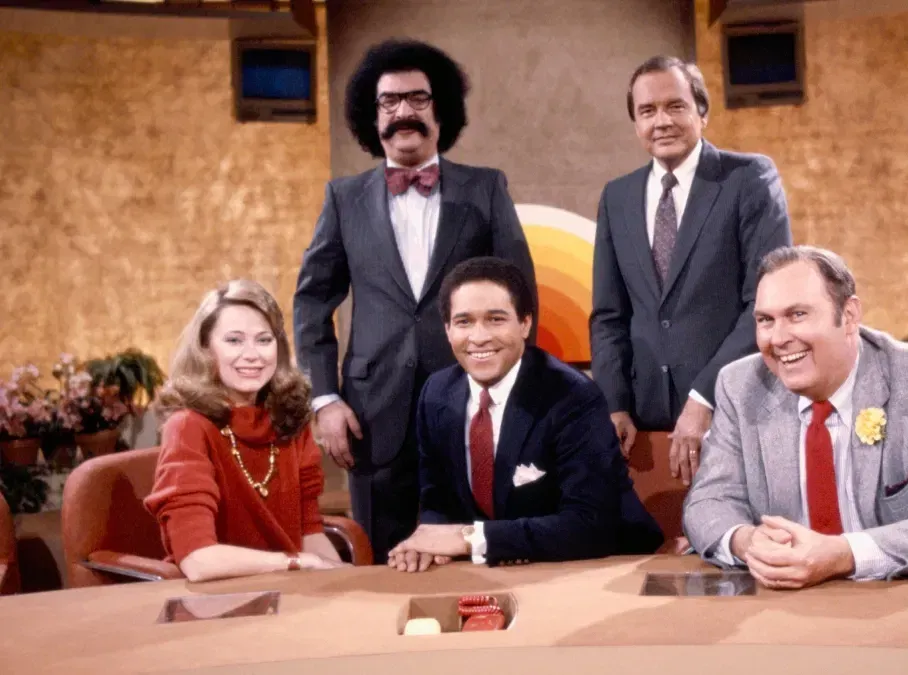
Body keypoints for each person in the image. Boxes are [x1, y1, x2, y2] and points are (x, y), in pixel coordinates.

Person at [293, 39, 538, 563]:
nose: (403, 111)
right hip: (371, 414)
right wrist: (325, 398)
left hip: (473, 404)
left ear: (439, 110)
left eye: (417, 98)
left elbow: (520, 294)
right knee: (382, 561)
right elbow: (312, 302)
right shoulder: (343, 198)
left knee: (472, 554)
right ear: (372, 115)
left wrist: (515, 394)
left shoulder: (486, 188)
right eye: (389, 101)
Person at [682, 246, 908, 589]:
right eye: (765, 320)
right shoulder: (740, 386)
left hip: (904, 596)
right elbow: (707, 503)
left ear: (849, 316)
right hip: (783, 602)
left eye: (797, 315)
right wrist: (748, 541)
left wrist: (842, 554)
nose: (778, 338)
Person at [590, 55, 791, 486]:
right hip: (644, 427)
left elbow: (764, 305)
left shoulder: (749, 178)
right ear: (636, 123)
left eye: (675, 106)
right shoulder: (616, 197)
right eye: (647, 111)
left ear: (702, 112)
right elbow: (609, 315)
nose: (661, 121)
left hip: (734, 413)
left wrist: (705, 396)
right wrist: (614, 403)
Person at [388, 257, 663, 571]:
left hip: (605, 568)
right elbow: (438, 499)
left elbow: (590, 524)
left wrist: (470, 538)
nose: (479, 337)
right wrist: (427, 543)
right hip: (496, 574)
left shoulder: (573, 397)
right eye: (464, 322)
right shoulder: (436, 393)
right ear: (448, 330)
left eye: (495, 319)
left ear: (525, 324)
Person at [145, 280, 346, 582]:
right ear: (205, 349)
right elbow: (198, 560)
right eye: (234, 341)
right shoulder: (187, 427)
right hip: (216, 596)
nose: (252, 355)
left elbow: (310, 533)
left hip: (291, 589)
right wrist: (297, 562)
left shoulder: (289, 419)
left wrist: (345, 579)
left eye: (264, 340)